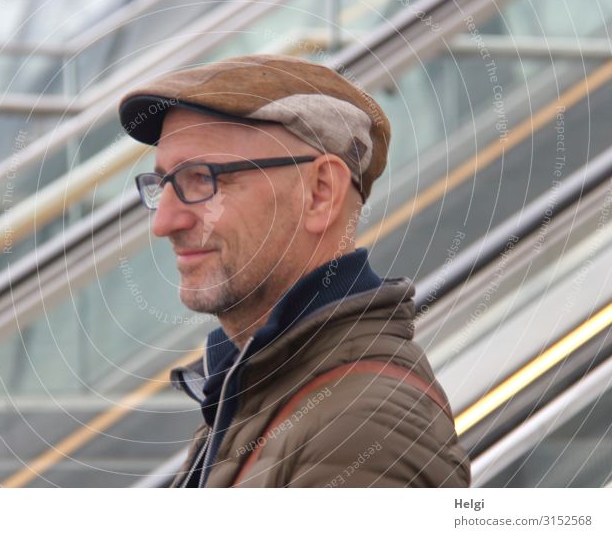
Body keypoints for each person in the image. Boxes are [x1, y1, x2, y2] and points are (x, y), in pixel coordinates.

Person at [118, 54, 470, 488]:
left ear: (321, 193)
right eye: (162, 185)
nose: (164, 223)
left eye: (202, 179)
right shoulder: (258, 386)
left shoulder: (362, 422)